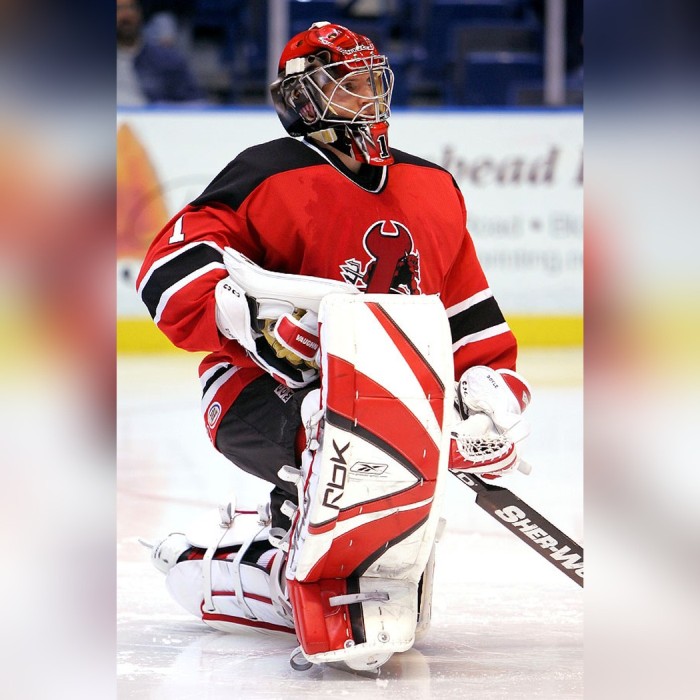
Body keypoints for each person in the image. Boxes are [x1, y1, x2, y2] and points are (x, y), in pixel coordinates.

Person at [136, 21, 532, 671]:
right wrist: (247, 318)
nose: (368, 96)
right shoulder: (268, 173)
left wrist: (491, 392)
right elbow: (167, 265)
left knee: (392, 538)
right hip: (257, 392)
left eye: (373, 81)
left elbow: (467, 318)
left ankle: (277, 551)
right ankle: (289, 567)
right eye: (347, 85)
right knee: (342, 427)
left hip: (384, 402)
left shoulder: (433, 187)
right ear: (301, 99)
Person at [117, 0, 204, 106]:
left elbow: (195, 102)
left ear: (140, 13)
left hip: (149, 114)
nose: (126, 14)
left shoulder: (168, 60)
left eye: (131, 7)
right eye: (118, 9)